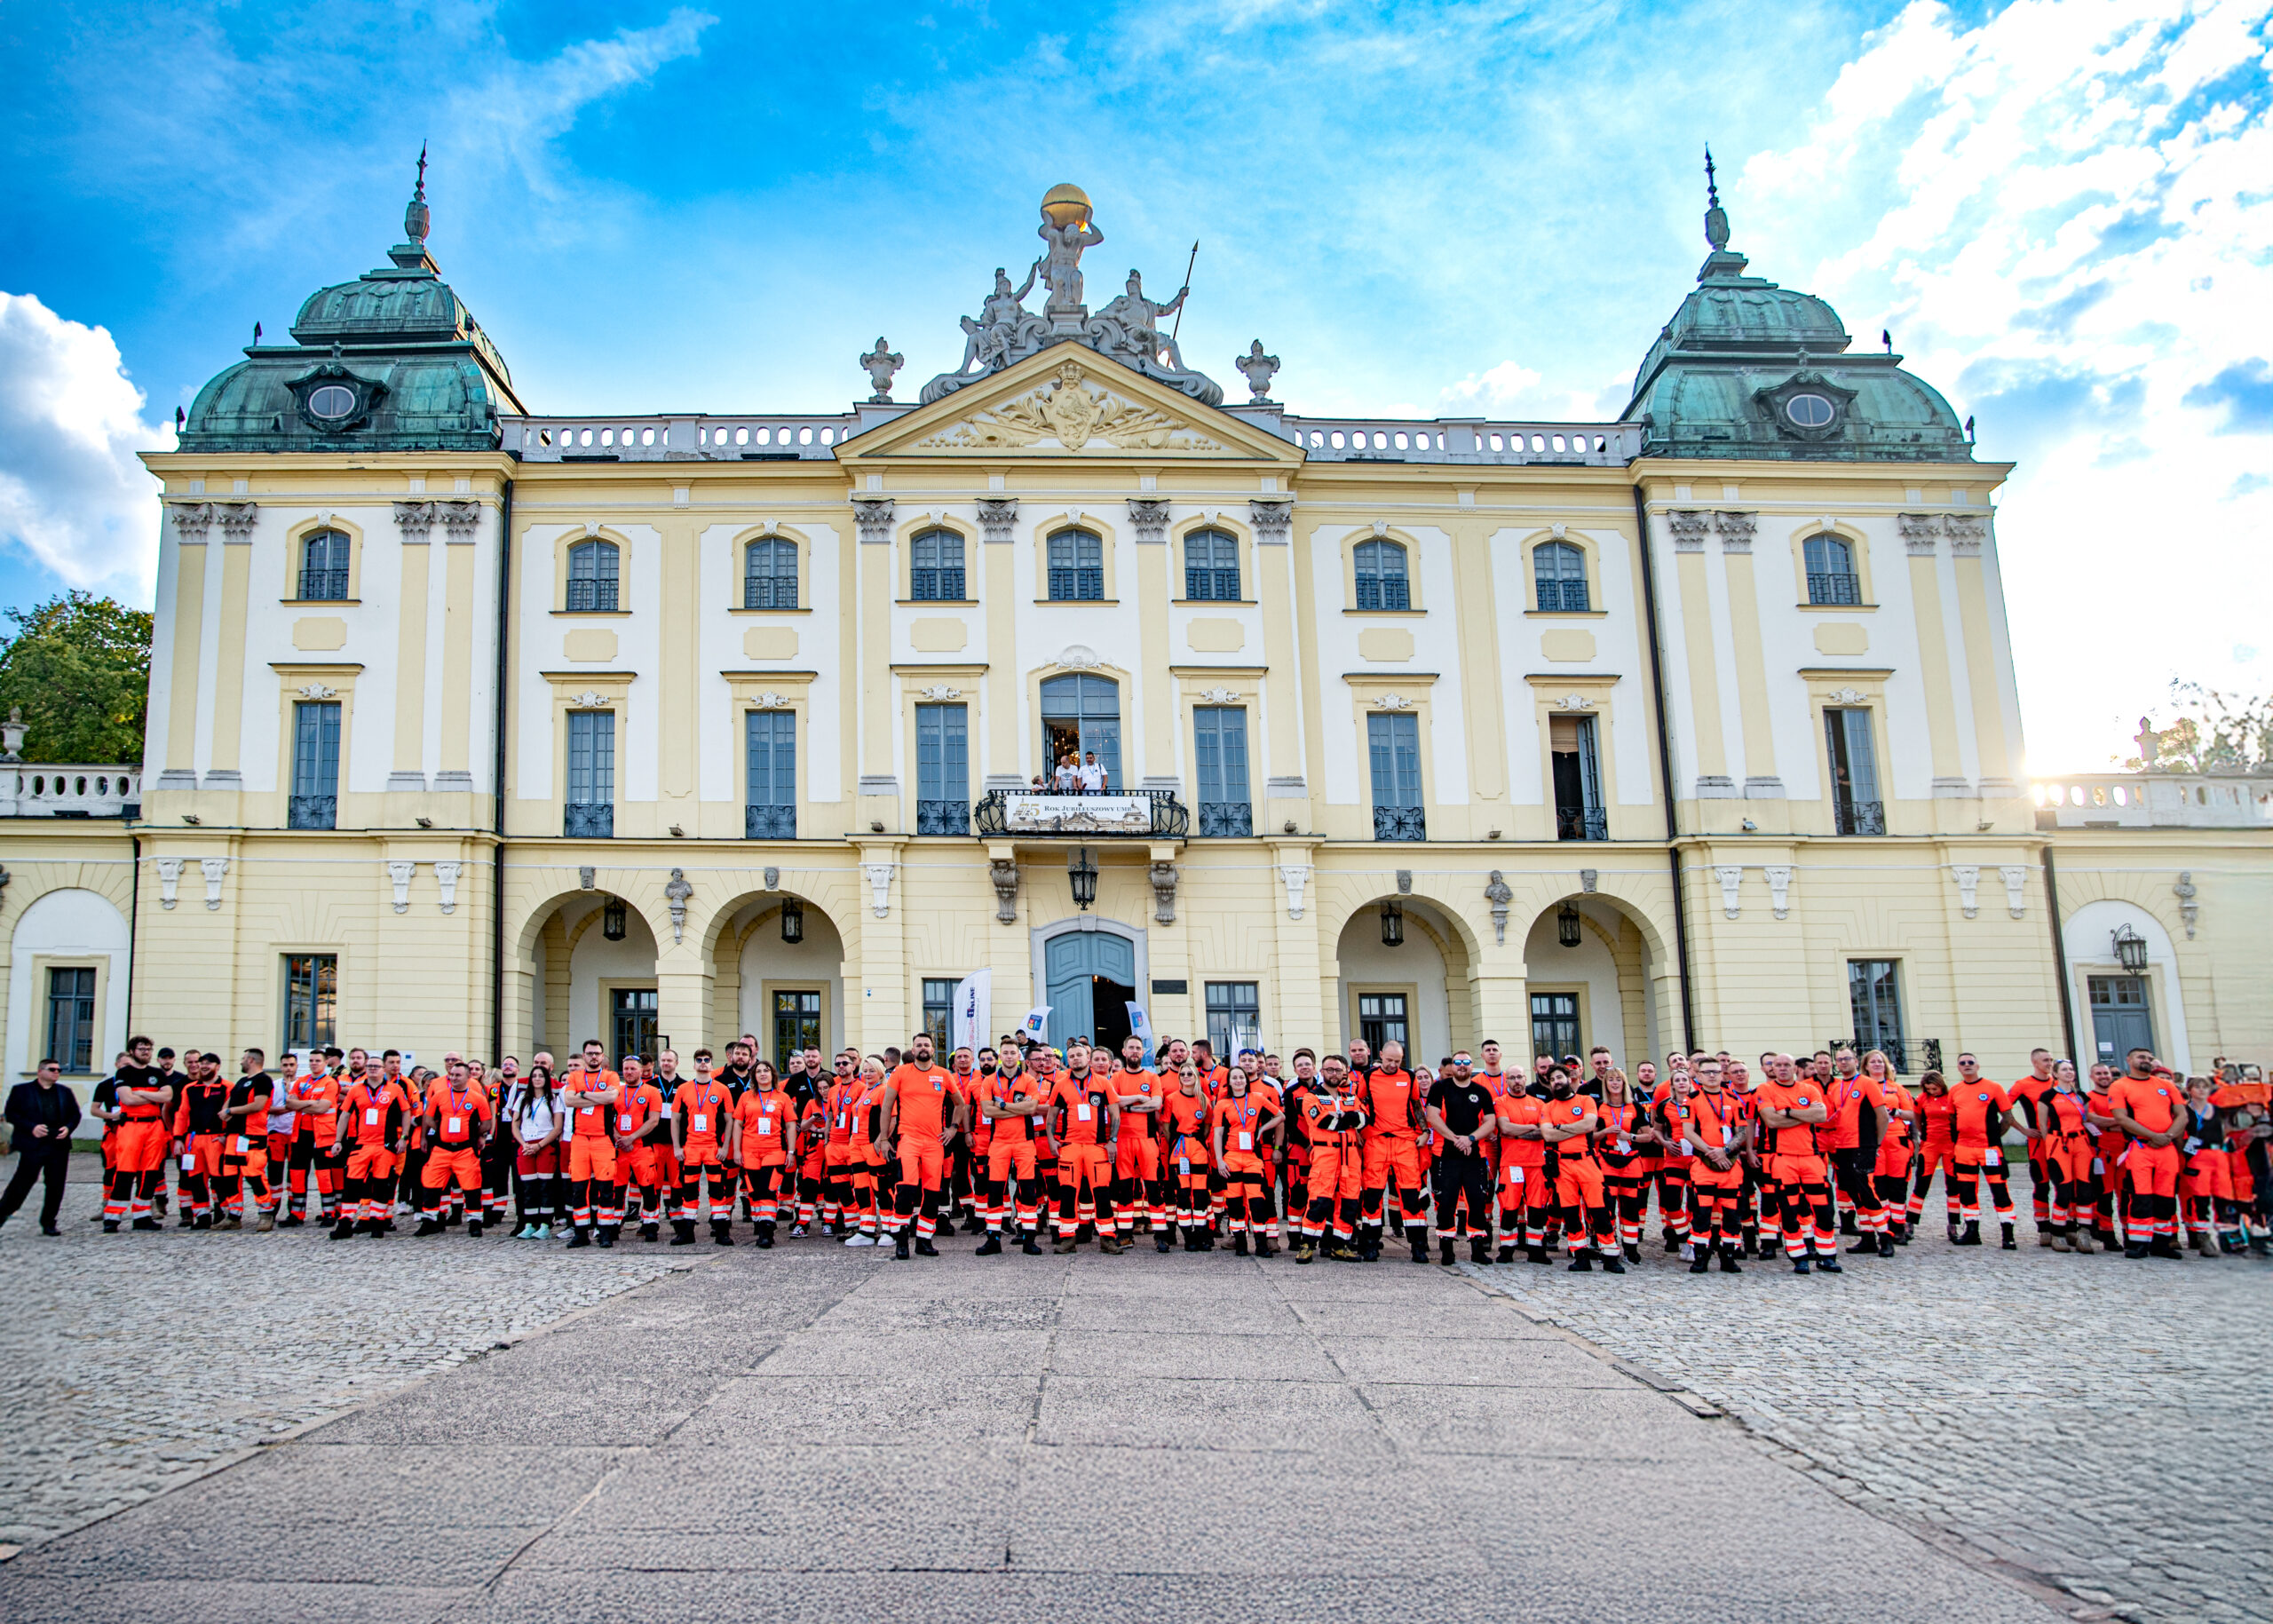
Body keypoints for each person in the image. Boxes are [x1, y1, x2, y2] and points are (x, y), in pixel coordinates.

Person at [1754, 1053, 1841, 1274]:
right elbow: (1771, 1121)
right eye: (1778, 1065)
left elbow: (1821, 1116)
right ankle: (1799, 1257)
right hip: (1783, 1158)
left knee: (1824, 1210)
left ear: (1795, 1068)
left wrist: (1788, 1112)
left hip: (1812, 1157)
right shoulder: (1765, 1090)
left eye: (1787, 1065)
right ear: (1773, 1069)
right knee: (1789, 1212)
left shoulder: (1808, 1089)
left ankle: (1826, 1256)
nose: (1782, 1068)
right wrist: (1805, 1116)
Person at [1540, 1066, 1622, 1272]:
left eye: (1559, 1077)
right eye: (1552, 1079)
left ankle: (1610, 1255)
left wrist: (1560, 1127)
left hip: (1587, 1161)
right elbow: (1548, 1135)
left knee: (1599, 1209)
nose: (1556, 1081)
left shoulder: (1586, 1101)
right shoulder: (1548, 1107)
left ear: (1569, 1079)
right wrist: (1574, 1129)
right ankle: (1580, 1255)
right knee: (1570, 1212)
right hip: (1562, 1165)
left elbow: (1589, 1125)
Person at [2108, 1050, 2185, 1259]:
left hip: (2166, 1148)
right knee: (2140, 1196)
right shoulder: (2120, 1086)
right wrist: (2153, 1136)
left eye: (2150, 1058)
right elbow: (2121, 1118)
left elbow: (2182, 1115)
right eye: (2141, 1057)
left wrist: (2167, 1136)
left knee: (2166, 1198)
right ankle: (2139, 1243)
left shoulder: (2166, 1085)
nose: (2147, 1061)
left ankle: (2162, 1243)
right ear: (2129, 1060)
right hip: (2140, 1148)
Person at [1357, 1039, 1428, 1264]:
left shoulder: (1409, 1077)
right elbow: (1359, 1104)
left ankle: (1418, 1246)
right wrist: (1358, 1132)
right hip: (1376, 1142)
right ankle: (1371, 1245)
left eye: (1397, 1061)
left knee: (1411, 1196)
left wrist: (1425, 1131)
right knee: (1372, 1196)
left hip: (1404, 1142)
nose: (1393, 1065)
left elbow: (1416, 1105)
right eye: (1389, 1060)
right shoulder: (1368, 1077)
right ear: (1380, 1055)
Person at [1045, 1041, 1120, 1252]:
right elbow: (1051, 1116)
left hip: (1097, 1146)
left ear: (1088, 1058)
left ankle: (1107, 1238)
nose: (1075, 1059)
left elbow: (1115, 1114)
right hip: (1070, 1147)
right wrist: (1051, 1140)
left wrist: (1112, 1141)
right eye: (1071, 1056)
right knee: (1068, 1193)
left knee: (1102, 1193)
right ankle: (1067, 1238)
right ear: (1067, 1060)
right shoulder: (1060, 1085)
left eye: (1079, 1055)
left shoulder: (1103, 1083)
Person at [1425, 1057, 1496, 1266]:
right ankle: (1447, 1250)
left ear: (1472, 1066)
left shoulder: (1481, 1091)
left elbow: (1490, 1121)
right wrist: (1456, 1139)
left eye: (1466, 1062)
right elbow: (1433, 1117)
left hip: (1475, 1156)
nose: (1462, 1066)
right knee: (1446, 1203)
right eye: (1458, 1062)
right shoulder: (1440, 1088)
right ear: (1452, 1066)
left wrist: (1470, 1139)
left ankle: (1477, 1249)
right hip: (1446, 1156)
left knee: (1477, 1202)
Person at [0, 1058, 81, 1235]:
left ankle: (49, 1222)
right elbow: (11, 1114)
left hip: (58, 1145)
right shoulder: (21, 1090)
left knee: (56, 1185)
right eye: (52, 1069)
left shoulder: (65, 1092)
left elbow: (75, 1114)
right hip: (33, 1145)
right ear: (40, 1071)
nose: (56, 1072)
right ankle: (3, 1213)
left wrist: (68, 1128)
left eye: (59, 1070)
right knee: (22, 1182)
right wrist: (32, 1128)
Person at [976, 1049, 1045, 1255]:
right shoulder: (990, 1080)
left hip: (1024, 1142)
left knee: (1028, 1192)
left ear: (1018, 1057)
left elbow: (1031, 1109)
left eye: (1012, 1053)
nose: (1008, 1056)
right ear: (1000, 1056)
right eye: (1005, 1052)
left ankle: (1029, 1239)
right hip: (999, 1142)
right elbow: (987, 1110)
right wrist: (1017, 1108)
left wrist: (1002, 1105)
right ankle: (993, 1239)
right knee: (995, 1192)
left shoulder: (1028, 1080)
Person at [1945, 1053, 2016, 1248]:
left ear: (1978, 1066)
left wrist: (1993, 1136)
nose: (1967, 1065)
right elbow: (1951, 1117)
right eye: (1962, 1063)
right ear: (1958, 1068)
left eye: (1971, 1062)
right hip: (1964, 1149)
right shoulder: (1955, 1090)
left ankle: (2008, 1234)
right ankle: (1972, 1232)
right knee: (1967, 1191)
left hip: (1989, 1149)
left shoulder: (1993, 1087)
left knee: (2000, 1191)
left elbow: (2008, 1117)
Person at [417, 1058, 492, 1238]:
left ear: (468, 1077)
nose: (453, 1078)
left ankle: (475, 1222)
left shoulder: (477, 1098)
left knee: (472, 1186)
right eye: (452, 1075)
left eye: (458, 1075)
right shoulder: (439, 1096)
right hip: (441, 1148)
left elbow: (487, 1123)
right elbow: (428, 1117)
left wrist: (474, 1135)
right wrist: (440, 1130)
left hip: (465, 1150)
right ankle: (429, 1221)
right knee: (431, 1184)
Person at [1216, 1059, 1283, 1258]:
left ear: (1246, 1080)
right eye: (1234, 1078)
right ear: (1229, 1082)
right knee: (1235, 1202)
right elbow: (1218, 1133)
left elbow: (1280, 1116)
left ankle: (1261, 1245)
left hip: (1253, 1157)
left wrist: (1262, 1129)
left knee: (1257, 1202)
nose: (1238, 1081)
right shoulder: (1223, 1104)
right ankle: (1241, 1244)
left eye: (1241, 1077)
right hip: (1232, 1157)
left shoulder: (1258, 1098)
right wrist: (1219, 1161)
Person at [559, 1040, 623, 1248]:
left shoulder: (610, 1076)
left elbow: (611, 1097)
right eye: (590, 1053)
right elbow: (569, 1100)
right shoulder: (575, 1076)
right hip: (579, 1138)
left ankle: (605, 1232)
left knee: (606, 1188)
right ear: (584, 1056)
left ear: (602, 1056)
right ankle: (580, 1233)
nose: (594, 1057)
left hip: (603, 1139)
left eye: (597, 1053)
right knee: (579, 1188)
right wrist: (599, 1098)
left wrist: (584, 1094)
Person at [733, 1059, 796, 1248]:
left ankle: (767, 1230)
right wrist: (736, 1150)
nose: (762, 1074)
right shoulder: (745, 1097)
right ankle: (760, 1223)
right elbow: (737, 1124)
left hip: (774, 1150)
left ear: (772, 1074)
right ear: (754, 1076)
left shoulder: (782, 1097)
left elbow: (790, 1125)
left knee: (769, 1189)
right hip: (750, 1150)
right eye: (759, 1071)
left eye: (766, 1070)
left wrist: (791, 1151)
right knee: (754, 1191)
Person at [218, 1049, 277, 1231]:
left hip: (252, 1135)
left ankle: (266, 1214)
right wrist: (226, 1112)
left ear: (251, 1060)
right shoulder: (242, 1081)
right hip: (234, 1136)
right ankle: (233, 1216)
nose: (241, 1061)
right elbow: (230, 1101)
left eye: (243, 1058)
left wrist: (230, 1111)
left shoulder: (263, 1080)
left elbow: (258, 1105)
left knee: (254, 1175)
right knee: (230, 1177)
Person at [509, 1058, 561, 1238]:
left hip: (544, 1144)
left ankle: (545, 1224)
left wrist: (540, 1145)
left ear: (547, 1079)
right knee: (528, 1187)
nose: (537, 1079)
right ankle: (530, 1224)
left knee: (545, 1186)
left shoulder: (553, 1099)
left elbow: (557, 1127)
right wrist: (524, 1144)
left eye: (541, 1076)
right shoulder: (522, 1099)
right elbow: (515, 1124)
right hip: (526, 1145)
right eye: (534, 1076)